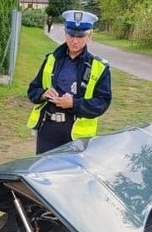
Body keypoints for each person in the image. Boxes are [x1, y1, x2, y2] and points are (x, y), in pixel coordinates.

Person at [27, 10, 112, 155]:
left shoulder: (99, 67)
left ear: (89, 36)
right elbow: (32, 90)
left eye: (80, 36)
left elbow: (102, 103)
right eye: (71, 35)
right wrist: (43, 94)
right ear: (65, 33)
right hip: (47, 130)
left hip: (76, 136)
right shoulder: (51, 60)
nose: (75, 40)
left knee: (70, 177)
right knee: (44, 174)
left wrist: (74, 104)